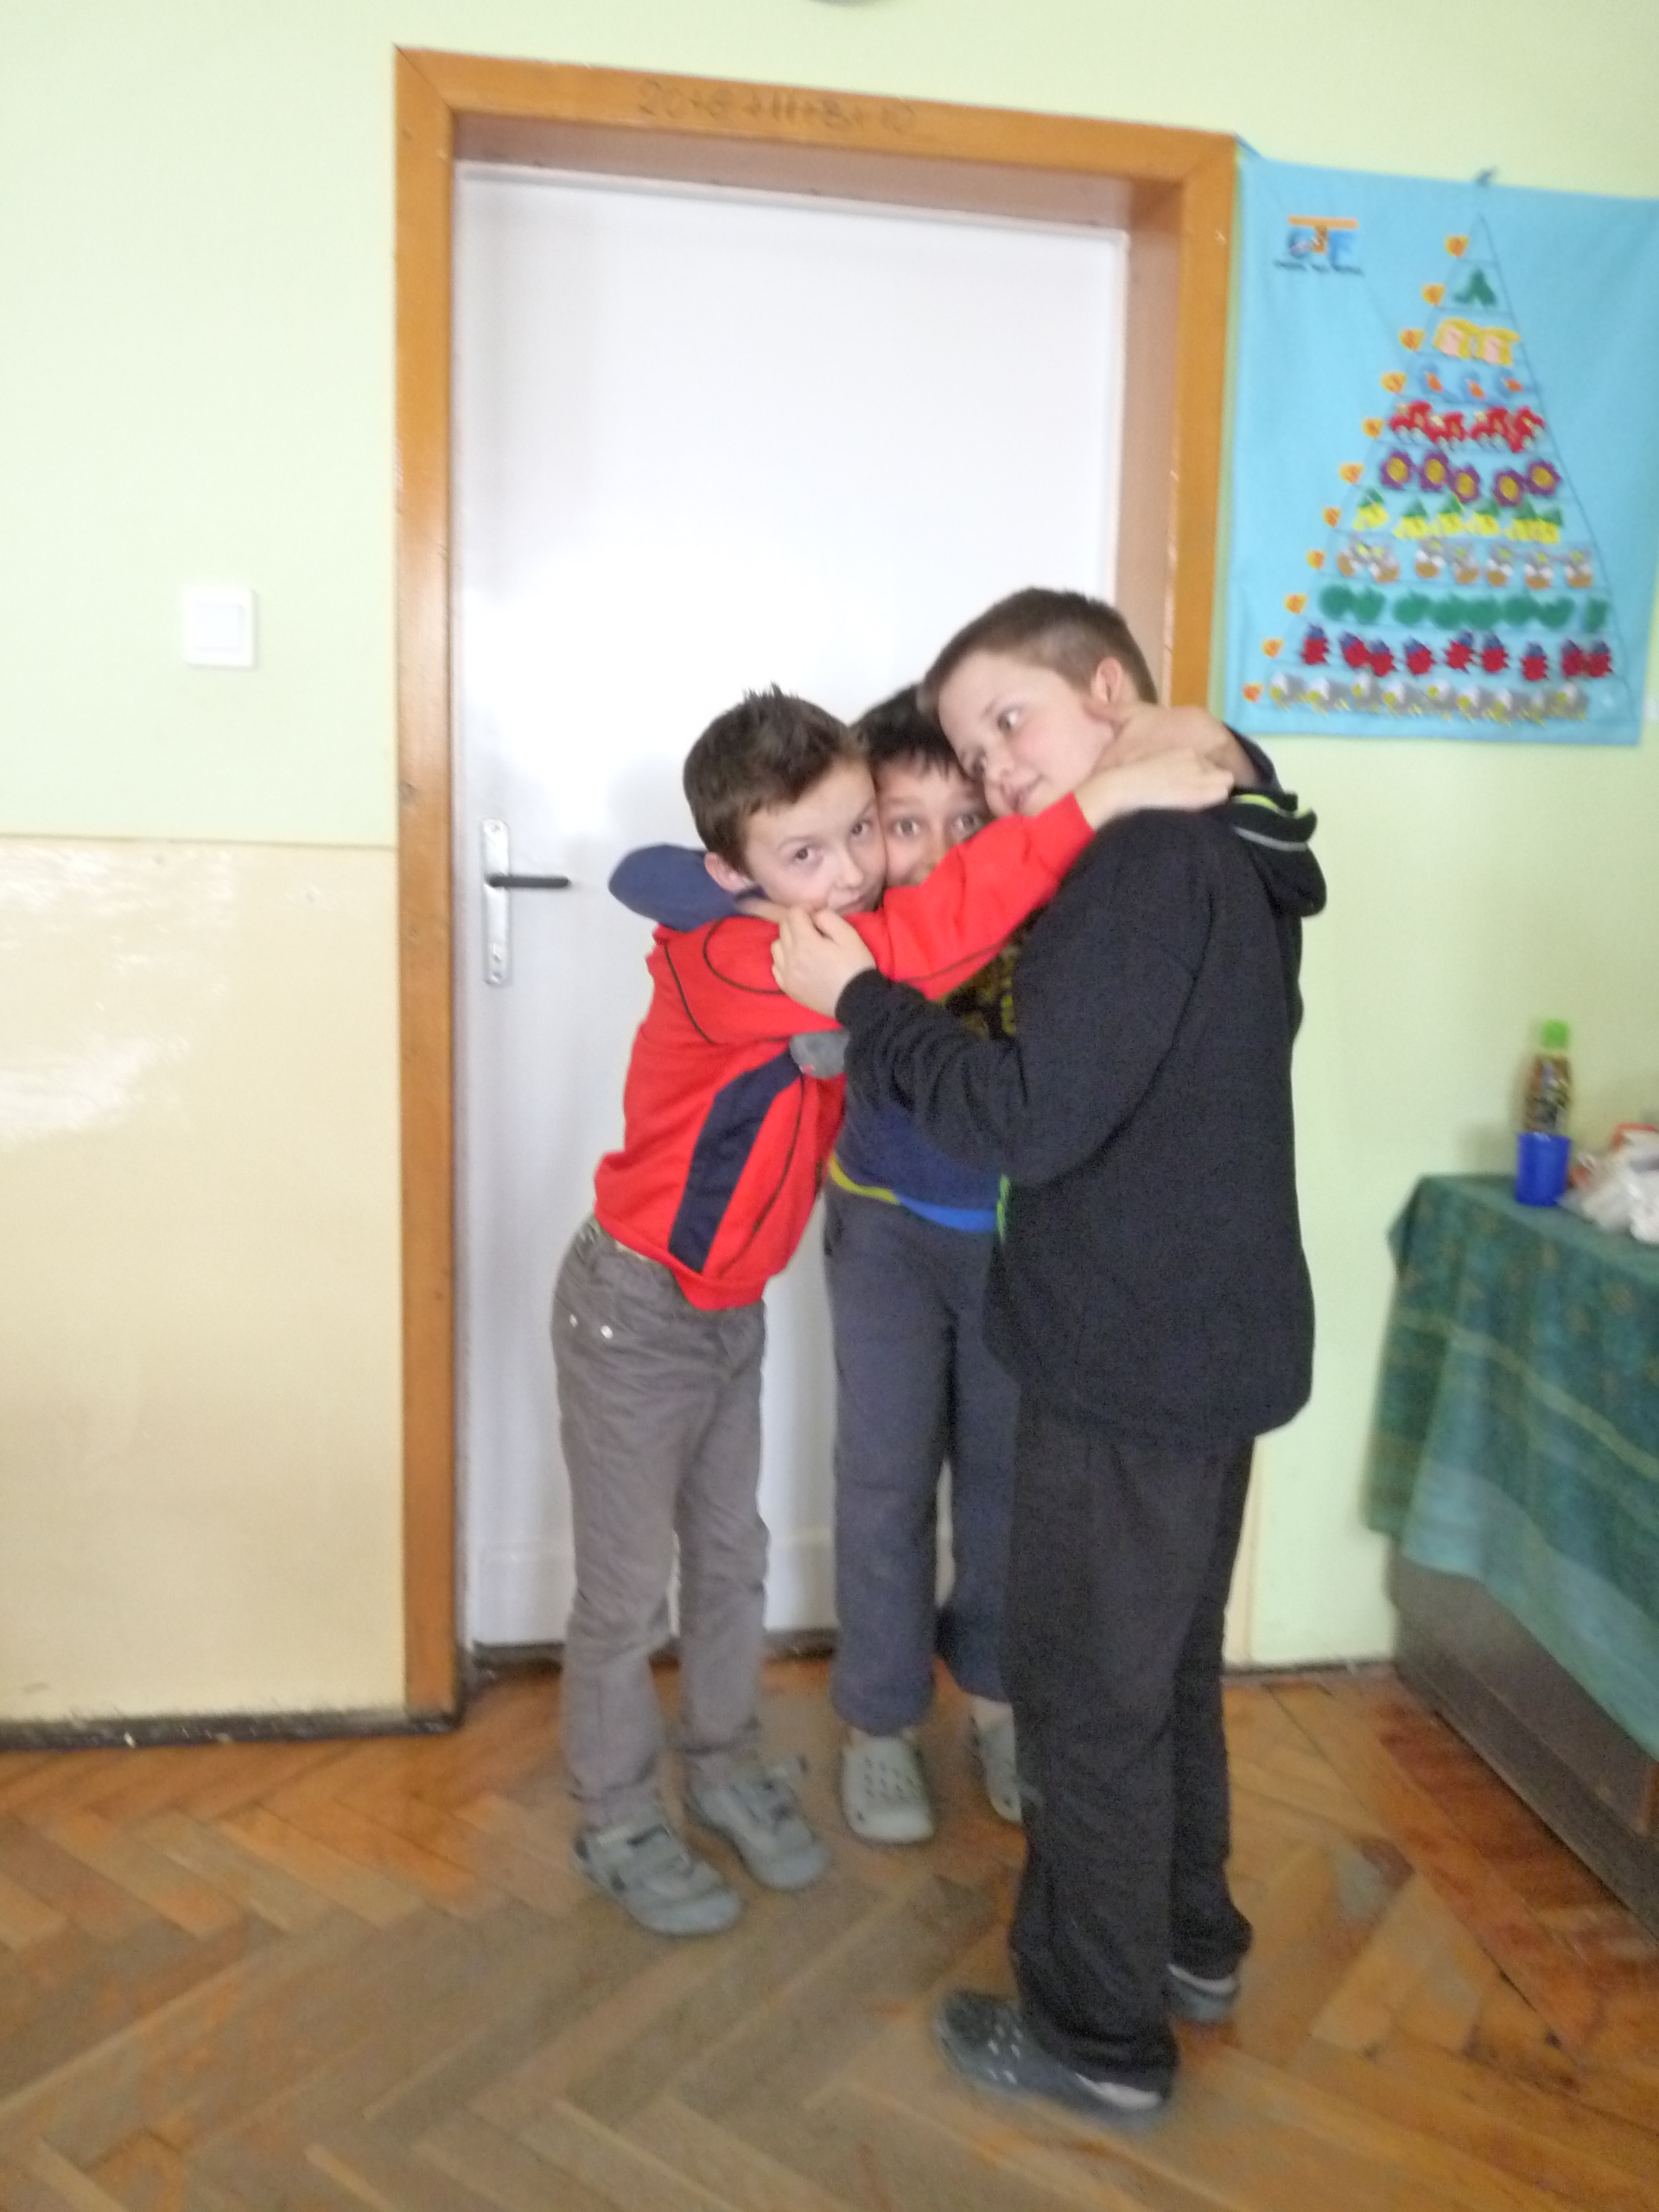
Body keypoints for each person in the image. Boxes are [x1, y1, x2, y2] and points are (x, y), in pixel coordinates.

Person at [555, 683, 1233, 1940]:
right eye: (806, 855)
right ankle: (615, 1817)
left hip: (725, 1314)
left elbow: (876, 931)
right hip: (635, 1314)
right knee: (624, 1593)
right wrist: (1103, 800)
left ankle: (721, 1767)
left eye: (860, 833)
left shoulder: (788, 927)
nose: (853, 875)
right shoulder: (744, 958)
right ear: (735, 871)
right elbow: (923, 946)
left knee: (731, 1564)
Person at [772, 590, 1325, 2125]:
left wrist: (860, 1001)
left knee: (1090, 1699)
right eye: (969, 751)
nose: (998, 768)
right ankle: (1189, 1941)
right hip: (1211, 1336)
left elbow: (1022, 1118)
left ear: (1110, 692)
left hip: (1129, 1352)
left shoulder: (1139, 866)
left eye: (1009, 723)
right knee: (1166, 1669)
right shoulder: (1233, 827)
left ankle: (1094, 2033)